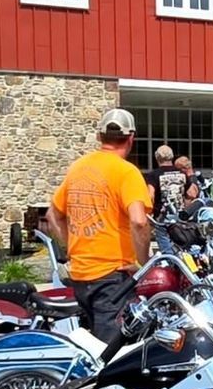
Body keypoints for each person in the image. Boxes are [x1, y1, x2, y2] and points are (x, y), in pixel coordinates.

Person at [48, 108, 153, 338]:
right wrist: (145, 264)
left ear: (99, 137)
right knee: (112, 356)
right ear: (131, 138)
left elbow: (53, 216)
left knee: (94, 345)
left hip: (80, 276)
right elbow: (138, 221)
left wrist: (71, 248)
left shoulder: (78, 167)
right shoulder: (126, 172)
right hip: (113, 277)